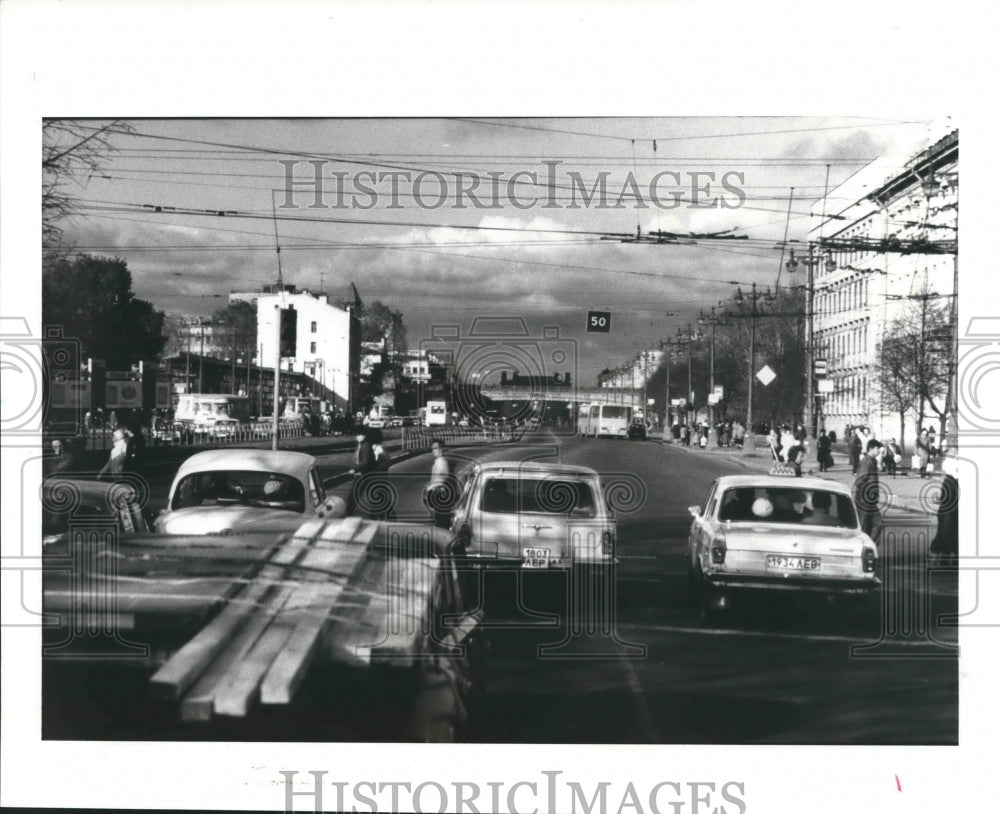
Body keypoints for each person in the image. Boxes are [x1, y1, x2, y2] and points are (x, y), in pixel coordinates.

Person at [929, 456, 959, 567]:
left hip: (950, 511)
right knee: (944, 536)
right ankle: (934, 561)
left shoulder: (951, 480)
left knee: (951, 536)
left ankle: (944, 561)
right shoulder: (950, 480)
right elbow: (947, 497)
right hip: (948, 512)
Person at [853, 439, 884, 542]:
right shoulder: (867, 462)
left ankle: (869, 544)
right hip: (864, 498)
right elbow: (860, 480)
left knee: (877, 522)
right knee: (863, 524)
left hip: (870, 500)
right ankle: (861, 545)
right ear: (871, 448)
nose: (879, 451)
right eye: (877, 448)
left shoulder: (872, 461)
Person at [346, 430, 376, 516]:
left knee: (353, 496)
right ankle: (376, 515)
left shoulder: (365, 445)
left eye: (359, 435)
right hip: (364, 474)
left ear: (364, 436)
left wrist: (355, 469)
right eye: (356, 435)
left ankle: (346, 514)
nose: (357, 437)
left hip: (364, 474)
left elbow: (365, 462)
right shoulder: (361, 445)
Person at [425, 438, 452, 528]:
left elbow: (444, 478)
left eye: (435, 448)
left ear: (441, 449)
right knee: (438, 520)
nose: (433, 451)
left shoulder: (441, 462)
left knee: (441, 522)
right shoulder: (438, 461)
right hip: (437, 494)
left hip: (440, 494)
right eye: (432, 449)